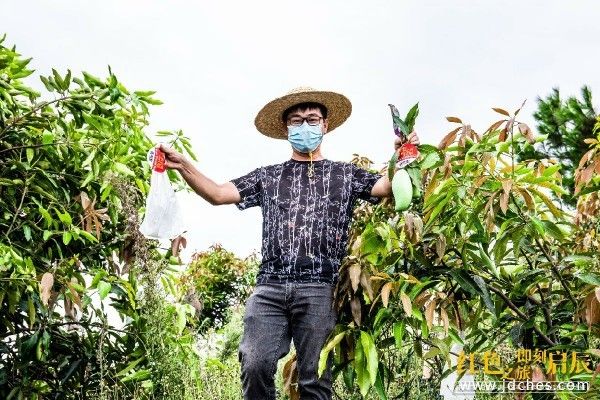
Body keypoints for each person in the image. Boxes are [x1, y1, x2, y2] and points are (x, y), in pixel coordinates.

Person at [160, 87, 420, 399]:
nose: (305, 126)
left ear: (324, 125)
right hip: (269, 287)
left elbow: (385, 187)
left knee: (314, 379)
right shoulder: (267, 176)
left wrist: (402, 153)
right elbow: (217, 194)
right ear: (286, 129)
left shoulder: (344, 174)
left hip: (320, 287)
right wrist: (183, 165)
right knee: (254, 363)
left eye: (312, 119)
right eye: (296, 121)